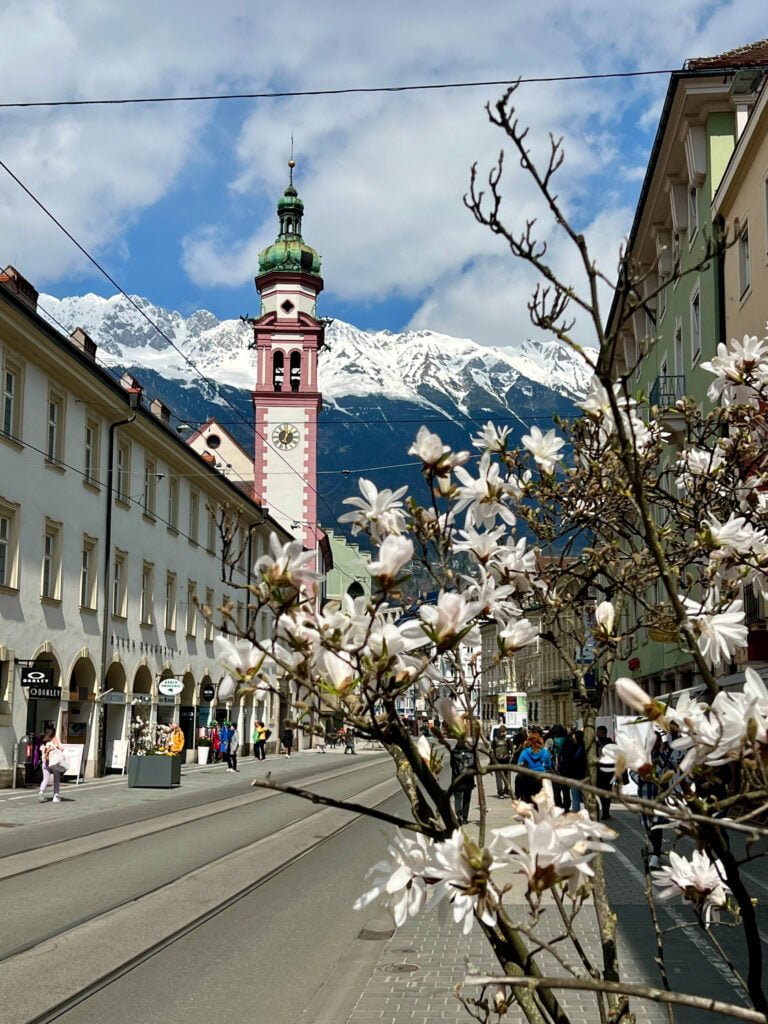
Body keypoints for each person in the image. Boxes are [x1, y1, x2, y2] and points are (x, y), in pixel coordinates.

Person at [515, 731, 553, 802]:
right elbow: (548, 766)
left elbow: (519, 765)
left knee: (528, 801)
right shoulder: (545, 752)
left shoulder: (525, 752)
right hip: (542, 779)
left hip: (528, 779)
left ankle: (517, 796)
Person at [449, 736, 476, 824]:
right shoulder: (472, 752)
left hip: (457, 779)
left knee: (458, 797)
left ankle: (458, 815)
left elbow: (451, 764)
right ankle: (465, 817)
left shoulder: (454, 752)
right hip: (468, 779)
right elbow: (475, 765)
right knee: (467, 798)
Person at [562, 729, 587, 811]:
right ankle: (587, 813)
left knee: (575, 798)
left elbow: (568, 761)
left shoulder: (572, 747)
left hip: (574, 776)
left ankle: (576, 814)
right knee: (585, 797)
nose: (573, 738)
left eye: (574, 737)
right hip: (584, 776)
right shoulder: (586, 748)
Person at [39, 725, 64, 803]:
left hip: (45, 762)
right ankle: (56, 796)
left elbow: (41, 750)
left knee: (45, 778)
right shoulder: (55, 739)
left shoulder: (44, 739)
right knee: (56, 779)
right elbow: (62, 748)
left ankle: (41, 792)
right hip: (54, 763)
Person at [595, 725, 614, 820]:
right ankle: (604, 811)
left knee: (606, 793)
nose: (597, 734)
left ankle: (606, 812)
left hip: (608, 772)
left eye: (599, 732)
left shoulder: (610, 744)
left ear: (604, 733)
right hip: (598, 772)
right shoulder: (596, 744)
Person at [491, 724, 514, 797]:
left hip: (497, 760)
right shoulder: (507, 740)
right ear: (504, 732)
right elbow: (512, 750)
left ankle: (500, 793)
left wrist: (492, 761)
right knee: (506, 776)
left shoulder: (494, 739)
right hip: (506, 760)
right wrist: (511, 759)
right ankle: (506, 790)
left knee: (498, 777)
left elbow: (491, 751)